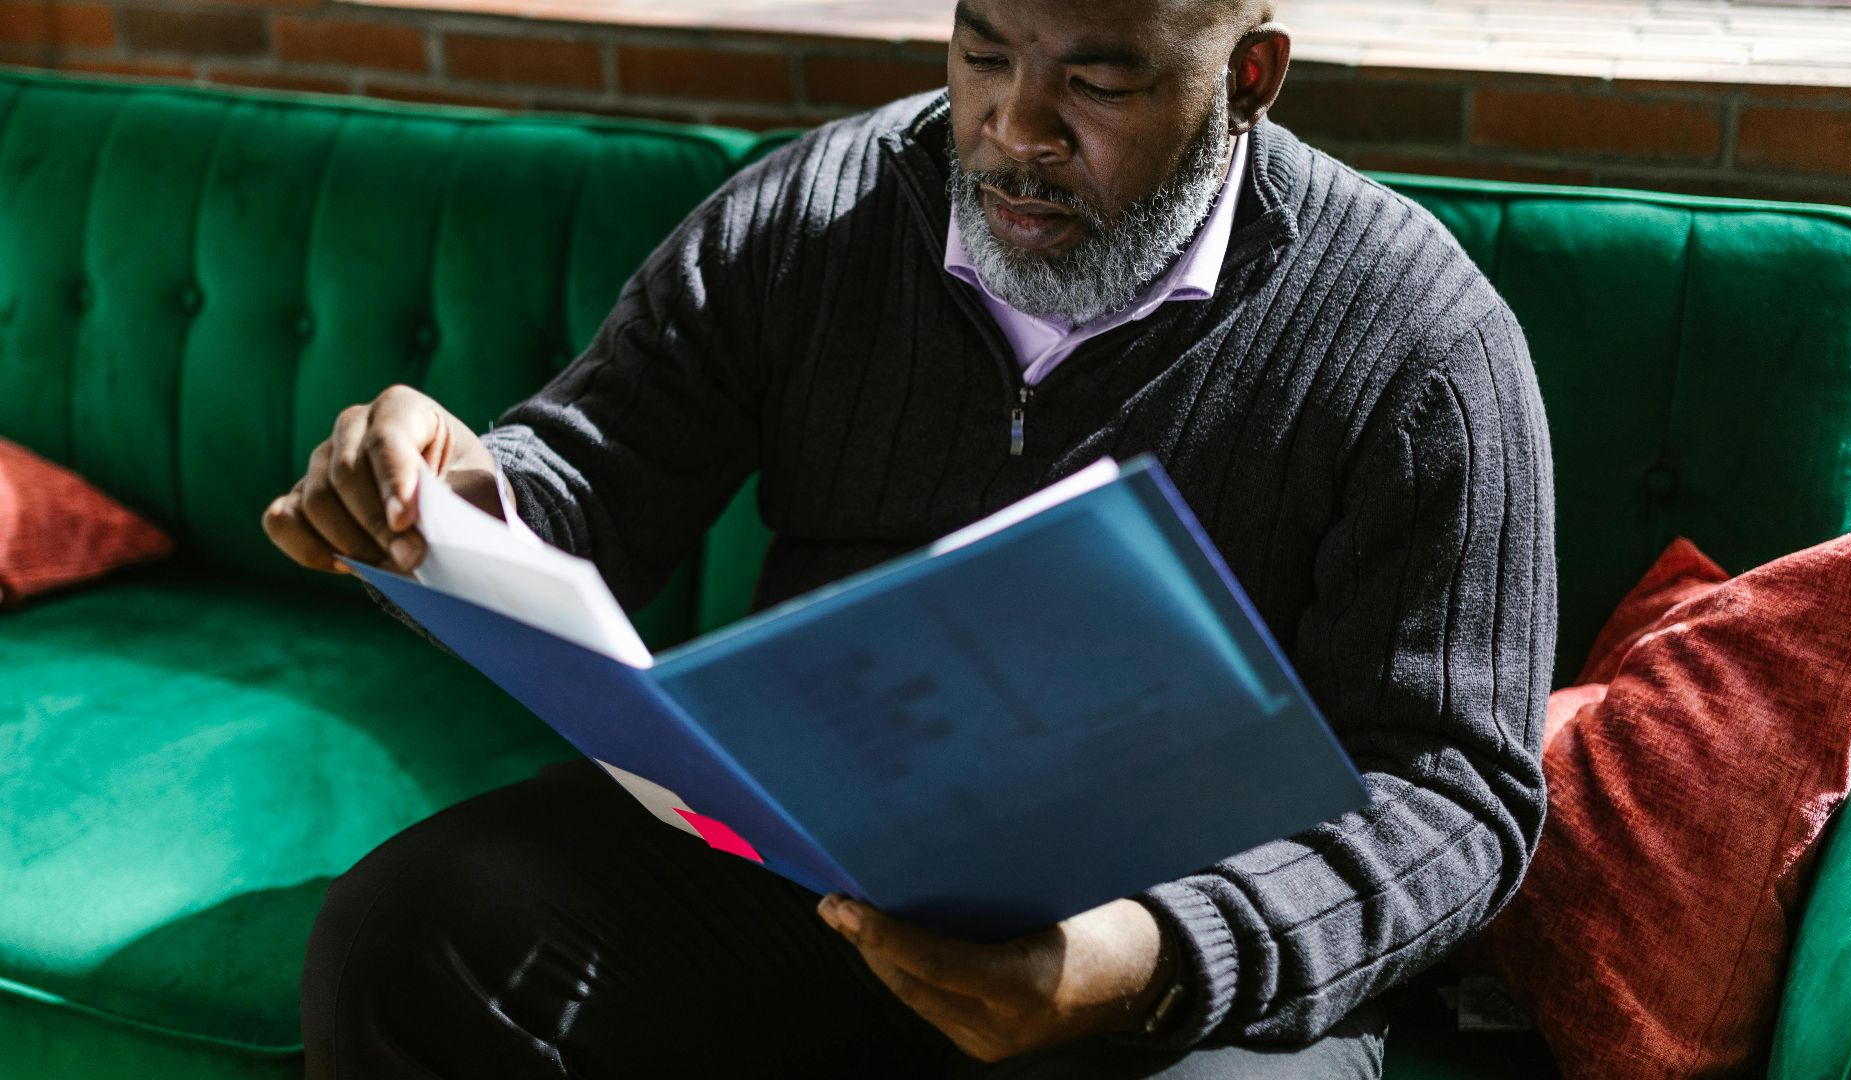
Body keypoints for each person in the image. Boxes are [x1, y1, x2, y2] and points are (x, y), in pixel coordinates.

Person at [265, 0, 1555, 1075]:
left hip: (1171, 939)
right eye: (984, 53)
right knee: (412, 933)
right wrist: (450, 495)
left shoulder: (1420, 343)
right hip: (806, 866)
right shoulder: (812, 216)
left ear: (1250, 77)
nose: (1014, 129)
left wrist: (1159, 956)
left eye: (1096, 83)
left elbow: (1462, 791)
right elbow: (589, 476)